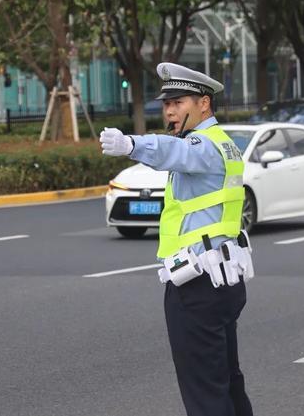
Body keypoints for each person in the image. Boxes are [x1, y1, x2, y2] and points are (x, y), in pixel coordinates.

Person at [100, 62, 253, 416]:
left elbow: (175, 151)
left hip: (197, 284)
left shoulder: (202, 145)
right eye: (166, 104)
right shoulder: (223, 143)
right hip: (221, 279)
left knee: (204, 393)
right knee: (226, 382)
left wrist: (131, 144)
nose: (169, 110)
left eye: (179, 101)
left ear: (204, 104)